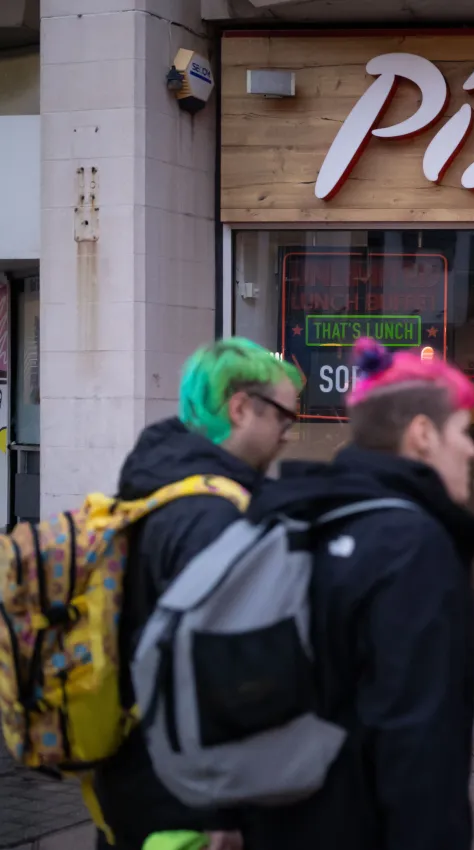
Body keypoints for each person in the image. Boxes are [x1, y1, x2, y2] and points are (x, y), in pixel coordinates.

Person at [242, 338, 474, 850]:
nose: (472, 449)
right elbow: (419, 747)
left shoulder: (295, 517)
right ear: (422, 434)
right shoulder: (416, 549)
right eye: (463, 433)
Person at [95, 338, 302, 850]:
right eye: (282, 418)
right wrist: (222, 812)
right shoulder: (210, 518)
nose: (288, 436)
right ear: (239, 408)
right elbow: (214, 668)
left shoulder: (154, 487)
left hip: (134, 782)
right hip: (185, 810)